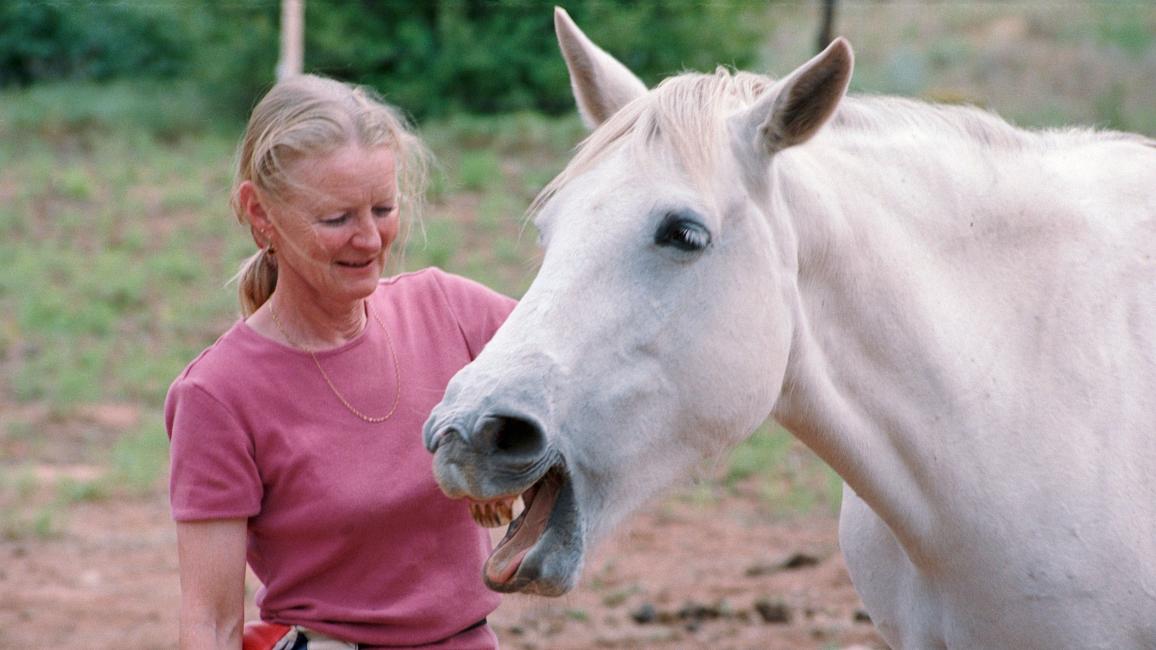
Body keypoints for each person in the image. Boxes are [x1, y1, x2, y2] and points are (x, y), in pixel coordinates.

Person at [164, 74, 516, 649]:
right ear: (260, 213)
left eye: (383, 208)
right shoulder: (217, 394)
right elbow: (211, 622)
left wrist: (500, 455)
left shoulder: (453, 311)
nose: (371, 240)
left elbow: (577, 376)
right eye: (337, 219)